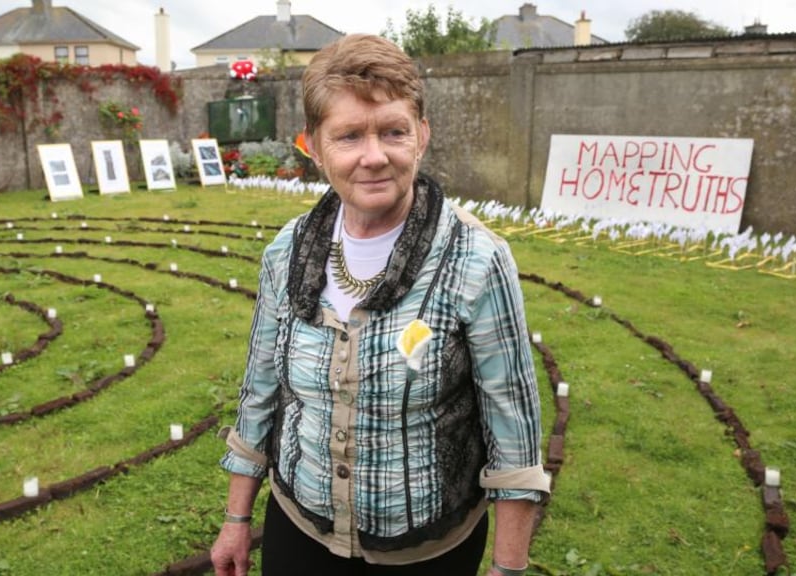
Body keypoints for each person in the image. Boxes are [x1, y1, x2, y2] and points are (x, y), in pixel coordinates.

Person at [210, 34, 550, 576]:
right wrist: (236, 518)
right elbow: (260, 394)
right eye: (348, 137)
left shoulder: (477, 260)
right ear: (314, 148)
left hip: (425, 552)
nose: (374, 156)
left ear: (422, 136)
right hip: (298, 528)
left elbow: (514, 430)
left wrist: (507, 568)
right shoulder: (286, 253)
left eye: (394, 131)